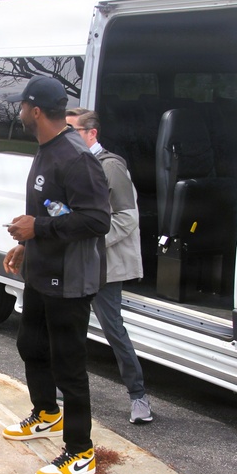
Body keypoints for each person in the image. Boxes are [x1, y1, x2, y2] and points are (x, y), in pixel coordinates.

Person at [2, 76, 110, 474]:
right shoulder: (45, 150)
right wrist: (27, 245)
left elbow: (98, 220)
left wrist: (39, 229)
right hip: (42, 271)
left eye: (21, 106)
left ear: (34, 110)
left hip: (69, 280)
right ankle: (47, 413)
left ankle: (81, 452)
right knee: (30, 344)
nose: (17, 112)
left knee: (69, 366)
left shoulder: (76, 157)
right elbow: (52, 210)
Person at [66, 108, 152, 423]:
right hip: (79, 260)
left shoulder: (110, 167)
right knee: (71, 325)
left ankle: (139, 397)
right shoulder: (75, 163)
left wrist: (90, 240)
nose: (67, 136)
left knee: (113, 330)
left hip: (105, 265)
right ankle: (67, 387)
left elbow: (128, 219)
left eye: (73, 130)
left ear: (92, 133)